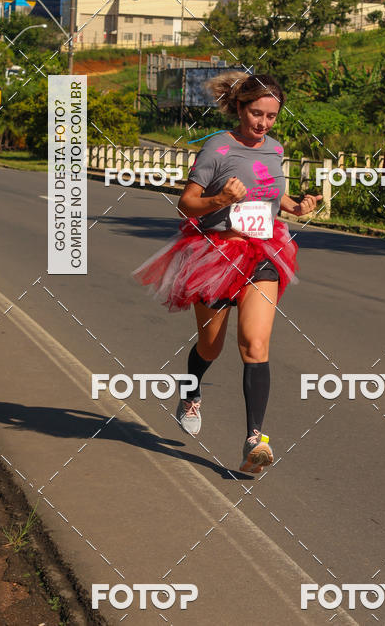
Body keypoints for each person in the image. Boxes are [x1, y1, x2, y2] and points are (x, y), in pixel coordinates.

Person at [133, 72, 321, 474]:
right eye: (256, 114)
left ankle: (255, 440)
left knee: (255, 345)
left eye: (271, 116)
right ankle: (191, 393)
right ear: (239, 107)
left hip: (264, 253)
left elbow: (271, 194)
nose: (263, 123)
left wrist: (296, 206)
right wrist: (220, 198)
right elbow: (187, 203)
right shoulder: (217, 147)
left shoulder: (275, 149)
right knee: (211, 346)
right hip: (216, 254)